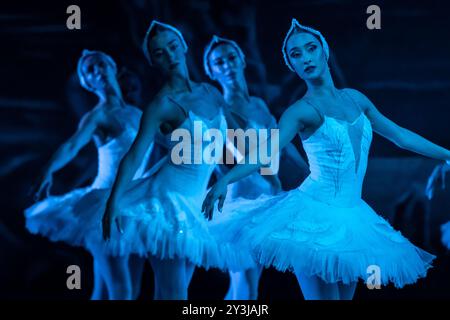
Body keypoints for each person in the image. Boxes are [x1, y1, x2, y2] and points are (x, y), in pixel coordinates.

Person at [202, 18, 449, 300]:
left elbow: (400, 136)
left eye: (311, 49)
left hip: (353, 216)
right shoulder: (300, 110)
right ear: (291, 65)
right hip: (313, 215)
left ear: (324, 51)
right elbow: (267, 151)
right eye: (296, 55)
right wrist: (227, 180)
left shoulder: (356, 98)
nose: (306, 58)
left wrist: (448, 155)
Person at [101, 21, 242, 300]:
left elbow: (220, 146)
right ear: (152, 60)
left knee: (176, 290)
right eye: (159, 52)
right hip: (165, 202)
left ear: (184, 46)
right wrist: (112, 203)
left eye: (172, 46)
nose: (169, 54)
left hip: (196, 203)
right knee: (173, 293)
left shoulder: (210, 92)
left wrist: (229, 177)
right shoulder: (161, 105)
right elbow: (133, 156)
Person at [25, 50, 153, 299]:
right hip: (104, 205)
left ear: (113, 67)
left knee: (113, 291)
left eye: (101, 65)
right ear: (88, 82)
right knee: (121, 290)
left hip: (137, 205)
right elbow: (72, 146)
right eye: (90, 70)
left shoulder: (137, 114)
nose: (98, 71)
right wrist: (47, 169)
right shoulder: (98, 115)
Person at [203, 35, 308, 299]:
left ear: (241, 59)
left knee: (247, 282)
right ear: (211, 71)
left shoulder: (258, 104)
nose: (227, 65)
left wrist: (309, 172)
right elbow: (239, 154)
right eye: (219, 62)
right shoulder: (219, 109)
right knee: (246, 282)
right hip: (241, 199)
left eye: (230, 58)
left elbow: (281, 143)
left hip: (267, 195)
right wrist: (271, 177)